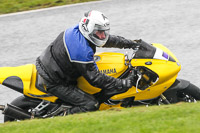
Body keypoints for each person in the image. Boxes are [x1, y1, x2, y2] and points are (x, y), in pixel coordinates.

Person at [36, 10, 139, 114]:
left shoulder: (81, 31)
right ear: (88, 29)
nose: (103, 36)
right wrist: (121, 83)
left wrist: (131, 44)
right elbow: (95, 78)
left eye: (104, 32)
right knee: (90, 104)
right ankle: (61, 119)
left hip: (53, 65)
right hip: (54, 81)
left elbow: (107, 40)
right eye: (100, 32)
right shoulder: (82, 50)